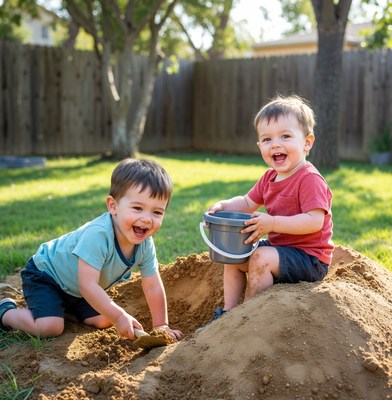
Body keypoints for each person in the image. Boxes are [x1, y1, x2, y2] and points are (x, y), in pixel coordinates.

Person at [0, 158, 182, 342]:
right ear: (113, 206)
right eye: (137, 208)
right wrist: (119, 316)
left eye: (157, 212)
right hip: (47, 276)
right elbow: (88, 285)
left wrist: (161, 325)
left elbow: (152, 285)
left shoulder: (145, 244)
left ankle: (64, 309)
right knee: (50, 326)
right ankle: (6, 311)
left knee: (104, 319)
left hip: (76, 289)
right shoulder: (98, 235)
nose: (147, 219)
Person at [204, 94, 334, 324]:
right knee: (234, 256)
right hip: (281, 249)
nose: (275, 144)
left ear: (307, 142)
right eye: (267, 139)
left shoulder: (309, 179)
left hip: (310, 258)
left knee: (261, 257)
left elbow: (315, 221)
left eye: (285, 136)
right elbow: (246, 203)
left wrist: (272, 223)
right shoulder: (269, 177)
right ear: (259, 146)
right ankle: (228, 314)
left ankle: (250, 318)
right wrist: (223, 206)